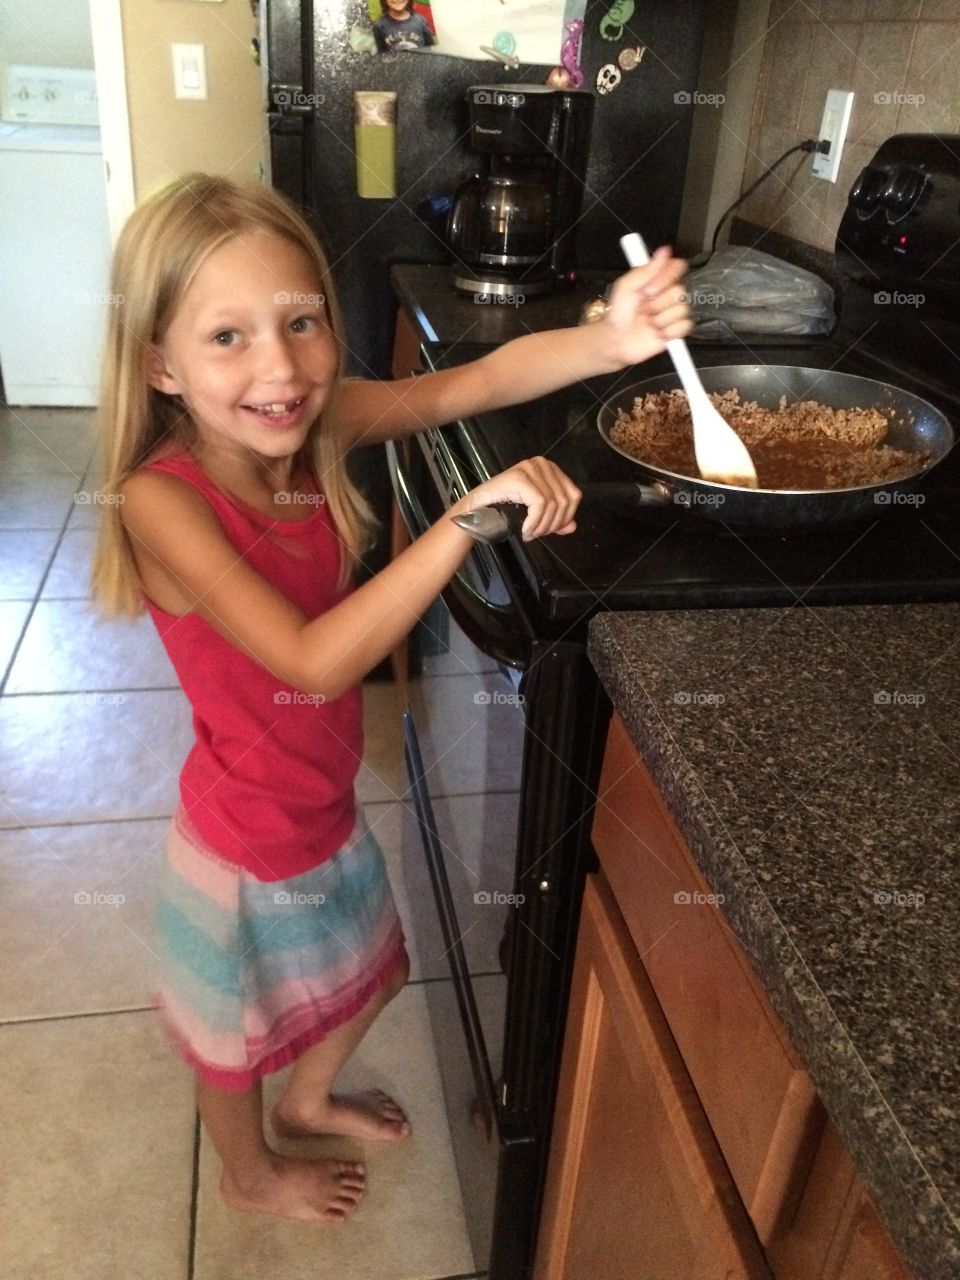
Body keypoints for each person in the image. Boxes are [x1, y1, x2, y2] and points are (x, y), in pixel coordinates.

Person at [90, 172, 691, 1226]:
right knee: (230, 1037)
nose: (279, 365)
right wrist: (465, 519)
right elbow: (313, 663)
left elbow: (484, 378)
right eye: (226, 336)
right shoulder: (158, 498)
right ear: (160, 365)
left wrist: (611, 337)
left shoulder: (312, 428)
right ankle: (249, 1167)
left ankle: (312, 1093)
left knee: (369, 966)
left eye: (301, 321)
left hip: (318, 802)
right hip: (243, 837)